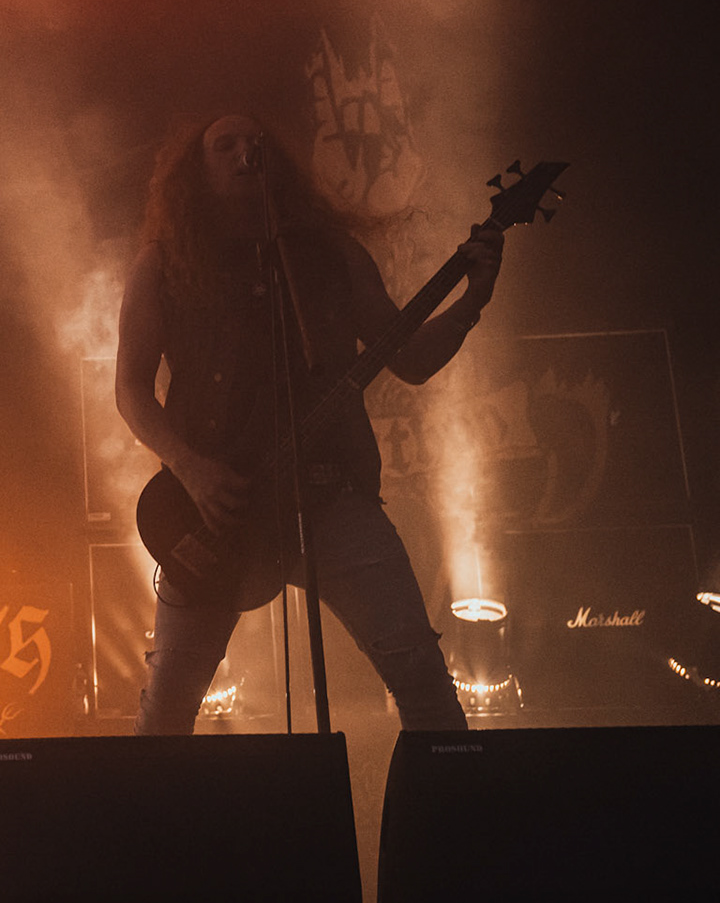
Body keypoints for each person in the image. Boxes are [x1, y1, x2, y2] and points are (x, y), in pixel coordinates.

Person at [114, 112, 503, 734]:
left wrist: (472, 301)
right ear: (196, 172)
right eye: (226, 145)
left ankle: (451, 825)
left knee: (424, 682)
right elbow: (131, 389)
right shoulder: (162, 265)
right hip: (221, 506)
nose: (247, 154)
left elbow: (408, 358)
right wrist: (191, 469)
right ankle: (152, 831)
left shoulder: (331, 256)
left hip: (331, 496)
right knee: (167, 711)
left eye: (257, 144)